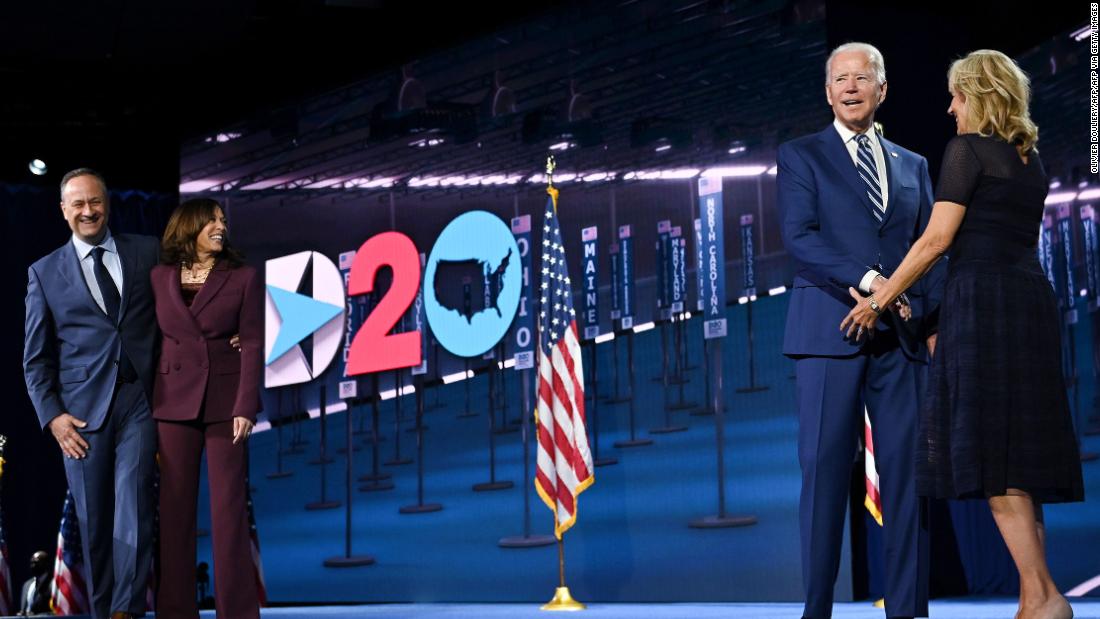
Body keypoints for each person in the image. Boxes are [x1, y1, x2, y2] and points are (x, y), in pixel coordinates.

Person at [841, 49, 1083, 619]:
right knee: (1019, 457)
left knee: (993, 454)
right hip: (1029, 303)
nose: (950, 109)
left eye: (956, 96)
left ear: (978, 95)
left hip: (983, 307)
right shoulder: (1029, 158)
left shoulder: (967, 150)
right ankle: (1034, 598)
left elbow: (935, 240)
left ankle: (1045, 597)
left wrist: (879, 300)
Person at [777, 42, 943, 619]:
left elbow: (930, 248)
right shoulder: (800, 155)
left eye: (862, 78)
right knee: (825, 478)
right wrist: (874, 283)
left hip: (901, 342)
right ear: (828, 93)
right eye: (840, 79)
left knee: (908, 481)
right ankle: (817, 610)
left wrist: (930, 321)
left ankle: (907, 609)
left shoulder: (912, 164)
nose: (851, 87)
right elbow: (800, 237)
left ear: (882, 89)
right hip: (828, 334)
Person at [23, 168, 160, 619]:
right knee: (96, 522)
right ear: (63, 209)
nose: (88, 211)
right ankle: (104, 611)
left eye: (95, 201)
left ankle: (125, 610)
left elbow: (184, 307)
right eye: (78, 204)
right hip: (80, 418)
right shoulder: (44, 273)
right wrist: (53, 417)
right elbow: (35, 359)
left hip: (139, 400)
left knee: (134, 504)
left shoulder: (147, 251)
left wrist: (228, 333)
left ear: (108, 203)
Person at [150, 198, 263, 619]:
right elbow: (148, 337)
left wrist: (246, 405)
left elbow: (252, 341)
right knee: (174, 512)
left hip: (226, 403)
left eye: (222, 220)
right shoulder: (158, 277)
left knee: (228, 511)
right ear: (189, 226)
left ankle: (237, 612)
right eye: (211, 220)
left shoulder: (244, 276)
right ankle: (176, 611)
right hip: (171, 402)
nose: (220, 226)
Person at [19, 551, 52, 616]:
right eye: (31, 563)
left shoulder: (52, 584)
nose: (32, 566)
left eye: (36, 563)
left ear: (46, 563)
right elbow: (24, 608)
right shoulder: (27, 584)